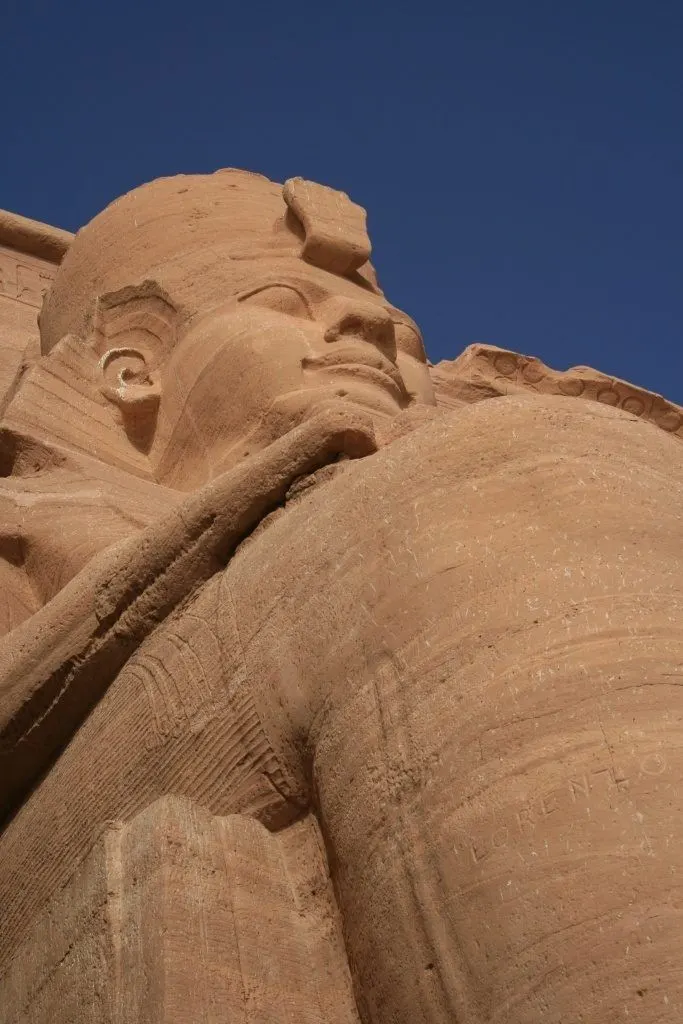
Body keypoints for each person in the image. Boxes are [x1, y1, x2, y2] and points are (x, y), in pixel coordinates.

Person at [1, 169, 682, 1023]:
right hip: (83, 792)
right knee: (460, 498)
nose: (365, 325)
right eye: (282, 300)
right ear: (133, 372)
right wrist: (243, 507)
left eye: (401, 334)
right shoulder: (29, 517)